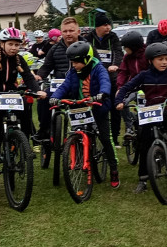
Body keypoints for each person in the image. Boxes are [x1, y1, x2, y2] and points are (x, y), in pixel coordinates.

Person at [0, 27, 46, 200]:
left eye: (17, 44)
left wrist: (37, 91)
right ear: (2, 44)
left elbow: (28, 77)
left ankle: (21, 146)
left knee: (26, 119)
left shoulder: (19, 59)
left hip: (12, 94)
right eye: (10, 44)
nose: (14, 48)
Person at [116, 43, 167, 193]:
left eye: (166, 59)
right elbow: (126, 87)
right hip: (151, 111)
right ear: (150, 61)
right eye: (160, 59)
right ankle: (143, 179)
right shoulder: (143, 75)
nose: (164, 62)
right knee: (144, 144)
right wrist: (119, 101)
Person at [50, 41, 120, 188]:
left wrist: (103, 94)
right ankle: (80, 158)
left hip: (97, 107)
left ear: (86, 59)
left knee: (106, 138)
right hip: (80, 107)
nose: (74, 65)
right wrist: (55, 96)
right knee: (77, 132)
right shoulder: (73, 73)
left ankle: (113, 168)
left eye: (76, 62)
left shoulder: (99, 69)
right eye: (72, 62)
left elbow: (105, 82)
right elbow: (64, 86)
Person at [34, 17, 81, 141]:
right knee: (43, 98)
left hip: (81, 88)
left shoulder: (87, 46)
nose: (68, 34)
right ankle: (44, 131)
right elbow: (46, 66)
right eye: (65, 31)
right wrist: (39, 75)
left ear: (78, 32)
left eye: (71, 31)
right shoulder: (54, 49)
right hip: (59, 86)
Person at [83, 13, 124, 144]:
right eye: (105, 25)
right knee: (96, 106)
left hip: (112, 76)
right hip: (95, 77)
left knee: (115, 107)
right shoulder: (88, 38)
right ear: (97, 27)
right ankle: (94, 134)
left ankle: (115, 137)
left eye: (109, 24)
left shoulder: (113, 37)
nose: (108, 27)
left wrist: (115, 65)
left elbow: (118, 52)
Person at [116, 30, 149, 137]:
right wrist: (120, 87)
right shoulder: (127, 57)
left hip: (148, 87)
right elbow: (123, 72)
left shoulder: (147, 55)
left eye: (126, 47)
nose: (125, 49)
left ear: (134, 47)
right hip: (133, 86)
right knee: (122, 101)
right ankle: (129, 126)